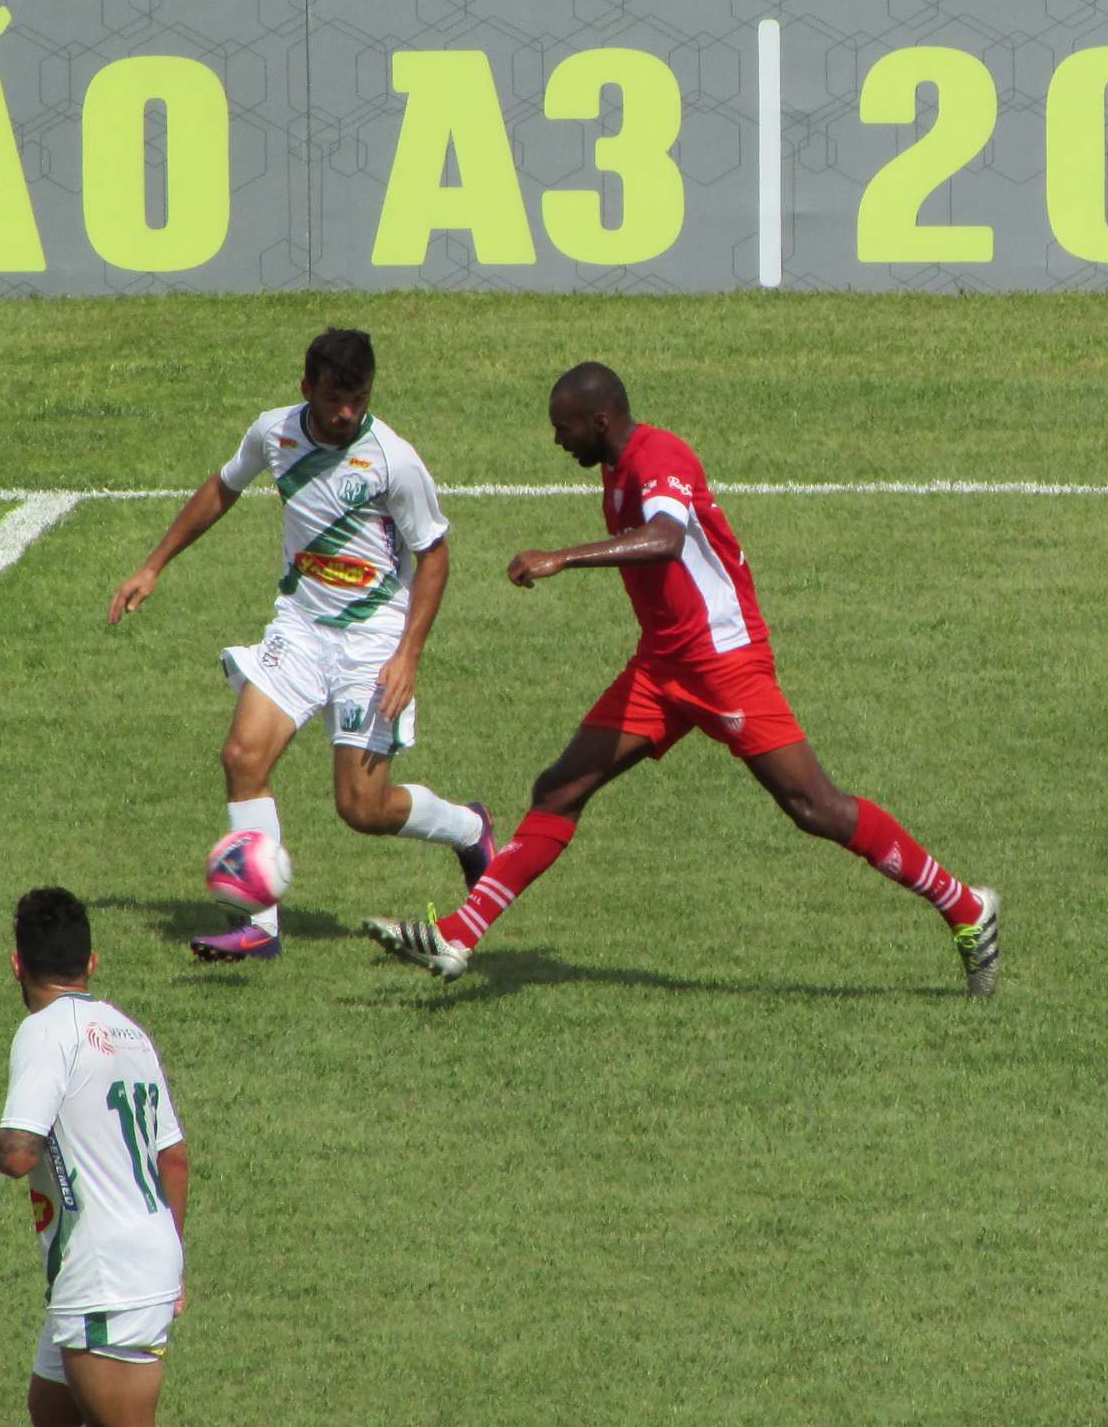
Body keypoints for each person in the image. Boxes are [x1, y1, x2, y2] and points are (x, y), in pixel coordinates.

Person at [362, 361, 1000, 995]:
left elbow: (666, 537)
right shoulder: (614, 467)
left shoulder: (658, 455)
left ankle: (966, 908)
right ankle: (459, 935)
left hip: (723, 666)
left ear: (599, 421)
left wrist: (563, 557)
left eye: (564, 428)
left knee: (814, 807)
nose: (557, 440)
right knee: (559, 787)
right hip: (662, 665)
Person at [107, 327, 492, 961]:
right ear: (306, 387)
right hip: (301, 629)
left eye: (359, 398)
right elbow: (222, 488)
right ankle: (260, 928)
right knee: (242, 758)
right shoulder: (274, 433)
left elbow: (435, 556)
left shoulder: (393, 459)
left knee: (362, 808)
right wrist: (154, 565)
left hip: (372, 644)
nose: (346, 413)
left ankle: (470, 829)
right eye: (334, 398)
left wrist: (408, 656)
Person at [0, 888, 202, 1427]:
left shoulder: (44, 1033)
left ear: (16, 965)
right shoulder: (129, 1032)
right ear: (92, 962)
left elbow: (20, 1153)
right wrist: (171, 1259)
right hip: (138, 1257)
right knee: (52, 1408)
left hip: (106, 1274)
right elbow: (174, 1159)